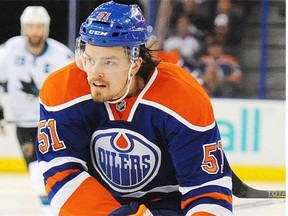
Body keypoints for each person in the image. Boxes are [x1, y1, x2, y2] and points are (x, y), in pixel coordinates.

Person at [36, 1, 233, 215]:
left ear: (135, 63)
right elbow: (60, 175)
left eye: (108, 62)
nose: (93, 73)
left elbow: (207, 192)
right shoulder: (62, 90)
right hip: (100, 203)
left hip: (168, 203)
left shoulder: (183, 96)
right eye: (89, 59)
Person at [0, 6, 74, 215]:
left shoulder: (62, 55)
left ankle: (53, 208)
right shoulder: (10, 50)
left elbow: (73, 88)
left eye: (39, 27)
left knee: (53, 167)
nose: (35, 31)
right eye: (31, 26)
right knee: (34, 169)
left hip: (51, 121)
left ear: (46, 28)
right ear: (24, 28)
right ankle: (49, 208)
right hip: (23, 123)